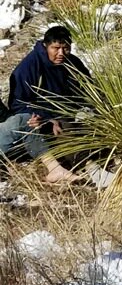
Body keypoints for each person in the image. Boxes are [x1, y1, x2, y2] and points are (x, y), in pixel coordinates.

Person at [0, 25, 90, 182]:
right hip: (45, 120)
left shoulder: (73, 63)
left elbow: (89, 89)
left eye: (65, 48)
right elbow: (17, 105)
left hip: (69, 113)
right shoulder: (28, 68)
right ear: (45, 46)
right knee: (63, 136)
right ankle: (86, 168)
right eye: (56, 48)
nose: (61, 53)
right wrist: (44, 118)